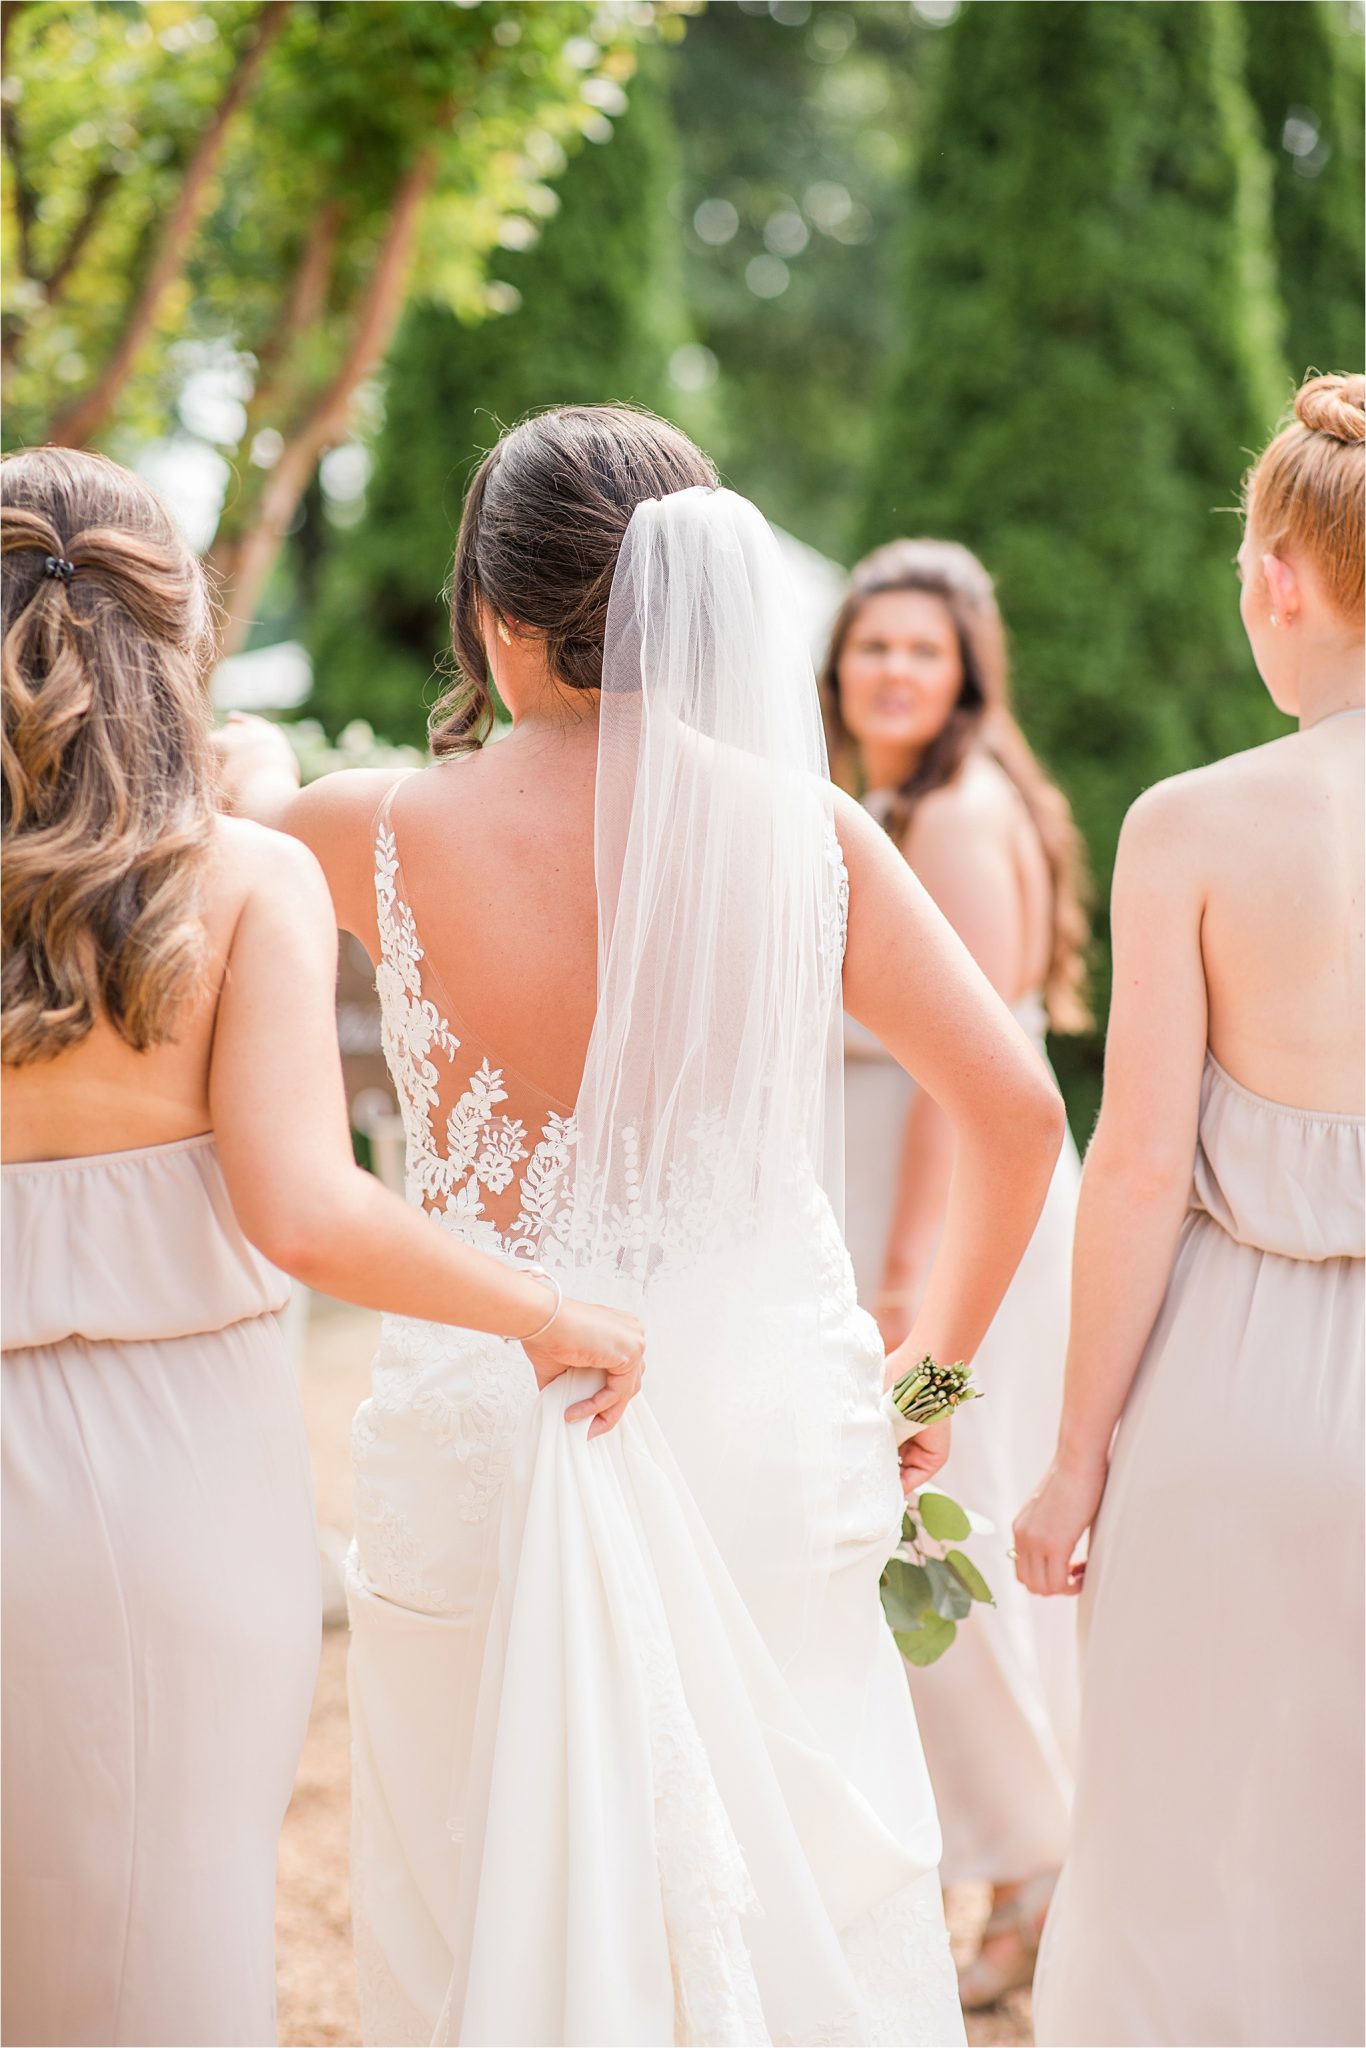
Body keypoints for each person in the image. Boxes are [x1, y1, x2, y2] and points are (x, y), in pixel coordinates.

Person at [218, 403, 1066, 2046]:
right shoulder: (810, 839)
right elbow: (1019, 1118)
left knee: (476, 1863)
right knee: (783, 1871)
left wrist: (244, 764)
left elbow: (166, 877)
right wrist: (933, 1387)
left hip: (487, 1407)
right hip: (761, 1409)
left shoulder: (365, 828)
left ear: (494, 612)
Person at [0, 447, 642, 2048]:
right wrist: (546, 1307)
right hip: (161, 1497)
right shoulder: (237, 883)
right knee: (159, 1946)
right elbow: (308, 1206)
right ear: (177, 625)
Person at [1014, 371, 1365, 2047]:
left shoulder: (1194, 825)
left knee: (1187, 1854)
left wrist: (1073, 1456)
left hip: (1233, 1402)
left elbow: (1139, 1167)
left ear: (1281, 576)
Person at [822, 538, 1089, 2005]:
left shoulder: (953, 819)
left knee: (940, 1520)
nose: (893, 673)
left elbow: (960, 1084)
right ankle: (1011, 1856)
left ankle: (1029, 1857)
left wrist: (910, 1285)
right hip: (921, 1225)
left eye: (921, 651)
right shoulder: (897, 806)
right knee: (938, 1514)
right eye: (872, 648)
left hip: (951, 1239)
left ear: (966, 670)